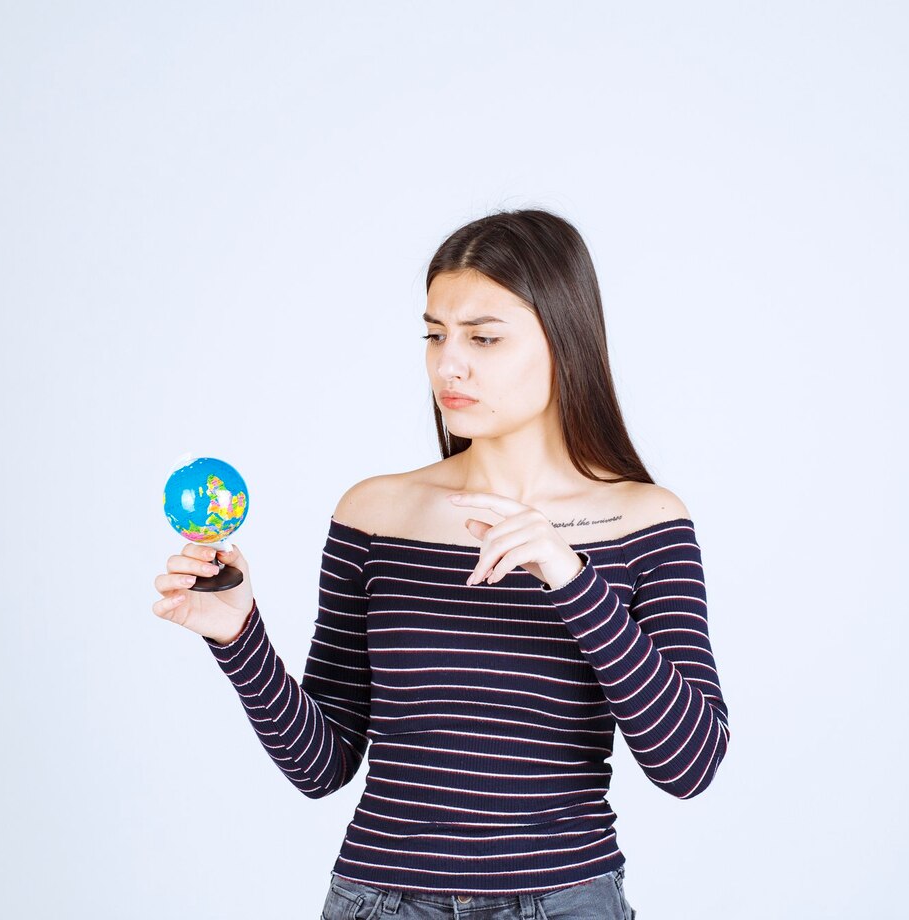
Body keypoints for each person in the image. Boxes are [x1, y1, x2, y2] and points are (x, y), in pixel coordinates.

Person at [151, 208, 729, 919]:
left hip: (567, 901)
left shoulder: (645, 522)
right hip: (381, 900)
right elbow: (322, 765)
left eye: (483, 337)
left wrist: (572, 577)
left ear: (565, 342)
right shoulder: (375, 515)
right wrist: (238, 639)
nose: (448, 363)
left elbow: (691, 764)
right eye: (434, 335)